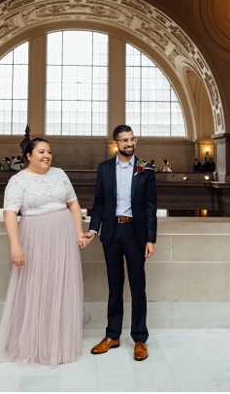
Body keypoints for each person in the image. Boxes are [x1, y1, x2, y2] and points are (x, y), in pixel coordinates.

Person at [0, 138, 87, 366]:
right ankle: (34, 343)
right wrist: (15, 245)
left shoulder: (60, 173)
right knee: (35, 286)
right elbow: (9, 214)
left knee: (60, 285)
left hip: (63, 237)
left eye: (49, 152)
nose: (47, 155)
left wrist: (78, 232)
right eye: (41, 151)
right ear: (28, 155)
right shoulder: (18, 181)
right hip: (34, 238)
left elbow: (73, 203)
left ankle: (59, 342)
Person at [85, 125, 157, 362]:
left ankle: (139, 338)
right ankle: (112, 335)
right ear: (116, 142)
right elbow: (99, 202)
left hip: (136, 235)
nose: (129, 143)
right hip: (112, 233)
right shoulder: (104, 169)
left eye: (132, 139)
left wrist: (150, 239)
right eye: (124, 140)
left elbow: (150, 208)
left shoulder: (146, 168)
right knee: (115, 287)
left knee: (138, 287)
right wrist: (94, 229)